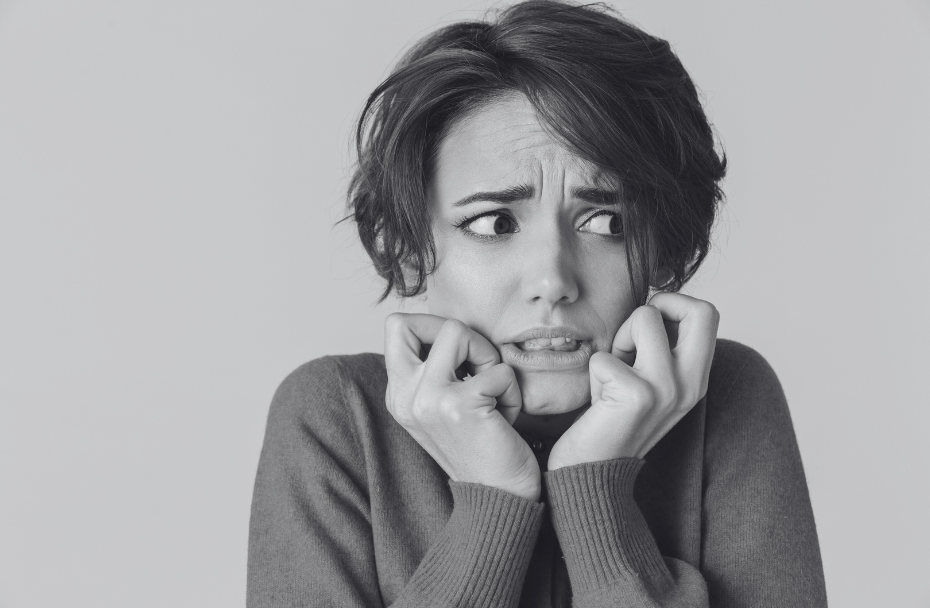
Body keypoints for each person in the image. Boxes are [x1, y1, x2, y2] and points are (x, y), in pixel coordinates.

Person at [247, 1, 827, 606]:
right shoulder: (337, 419)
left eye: (607, 221)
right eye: (495, 223)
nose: (553, 280)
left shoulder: (726, 395)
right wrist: (491, 501)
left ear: (657, 246)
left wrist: (594, 490)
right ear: (413, 245)